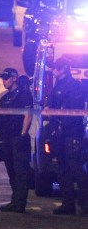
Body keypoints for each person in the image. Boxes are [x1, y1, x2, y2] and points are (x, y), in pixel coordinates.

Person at [46, 57, 88, 216]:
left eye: (56, 68)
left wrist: (63, 124)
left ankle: (84, 204)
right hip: (60, 134)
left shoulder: (74, 86)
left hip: (71, 134)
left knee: (76, 168)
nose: (53, 70)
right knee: (63, 169)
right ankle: (68, 204)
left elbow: (73, 112)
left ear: (63, 68)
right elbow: (52, 104)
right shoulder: (58, 85)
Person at [0, 67, 33, 213]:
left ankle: (20, 203)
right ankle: (14, 200)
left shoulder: (24, 95)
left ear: (14, 78)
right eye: (3, 78)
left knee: (21, 171)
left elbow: (28, 116)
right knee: (11, 171)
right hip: (7, 138)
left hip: (18, 137)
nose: (4, 81)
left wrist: (23, 134)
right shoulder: (5, 98)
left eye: (6, 78)